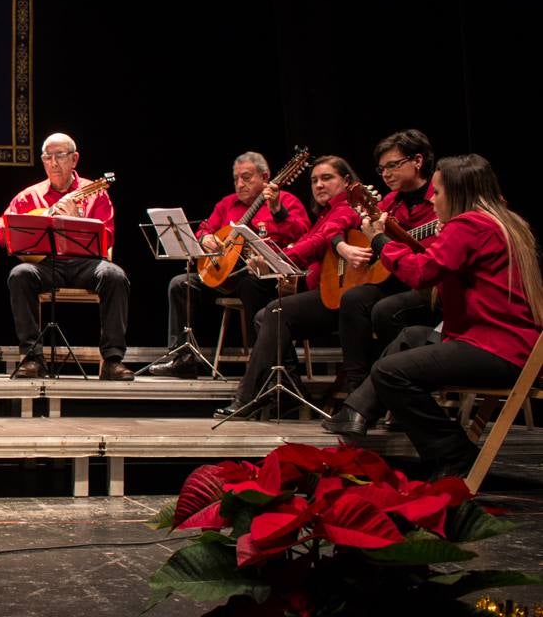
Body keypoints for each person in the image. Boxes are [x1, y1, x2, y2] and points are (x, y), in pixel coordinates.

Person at [325, 154, 542, 479]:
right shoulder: (504, 222)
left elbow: (422, 272)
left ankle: (454, 456)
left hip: (497, 349)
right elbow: (441, 264)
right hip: (514, 345)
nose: (433, 199)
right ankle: (356, 410)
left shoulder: (469, 225)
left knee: (389, 373)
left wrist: (380, 239)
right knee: (411, 336)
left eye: (437, 193)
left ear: (456, 194)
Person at [214, 155, 362, 418]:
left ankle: (247, 396)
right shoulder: (326, 213)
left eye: (327, 178)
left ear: (347, 181)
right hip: (317, 289)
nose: (318, 185)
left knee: (271, 311)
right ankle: (291, 387)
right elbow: (311, 239)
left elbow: (316, 240)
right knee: (265, 314)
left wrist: (279, 258)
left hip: (338, 298)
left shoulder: (346, 209)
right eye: (315, 180)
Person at [143, 151, 309, 378]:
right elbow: (204, 229)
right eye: (236, 178)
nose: (240, 184)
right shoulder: (227, 204)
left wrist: (278, 211)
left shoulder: (285, 201)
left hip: (264, 277)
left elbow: (302, 233)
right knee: (180, 284)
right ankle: (182, 357)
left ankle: (259, 364)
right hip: (225, 274)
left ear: (265, 176)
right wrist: (204, 239)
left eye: (247, 177)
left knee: (252, 284)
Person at [0, 132, 132, 381]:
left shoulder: (95, 193)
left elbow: (107, 237)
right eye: (48, 157)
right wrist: (20, 228)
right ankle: (32, 358)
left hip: (86, 264)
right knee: (20, 274)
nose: (54, 163)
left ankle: (112, 360)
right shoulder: (29, 196)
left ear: (74, 159)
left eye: (60, 156)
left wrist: (78, 220)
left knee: (115, 276)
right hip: (45, 264)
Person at [334, 129, 441, 397]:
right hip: (397, 278)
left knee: (385, 309)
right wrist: (342, 245)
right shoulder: (388, 203)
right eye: (381, 169)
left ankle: (400, 388)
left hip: (430, 283)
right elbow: (341, 223)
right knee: (353, 298)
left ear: (417, 161)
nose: (386, 174)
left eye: (393, 165)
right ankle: (357, 390)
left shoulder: (441, 198)